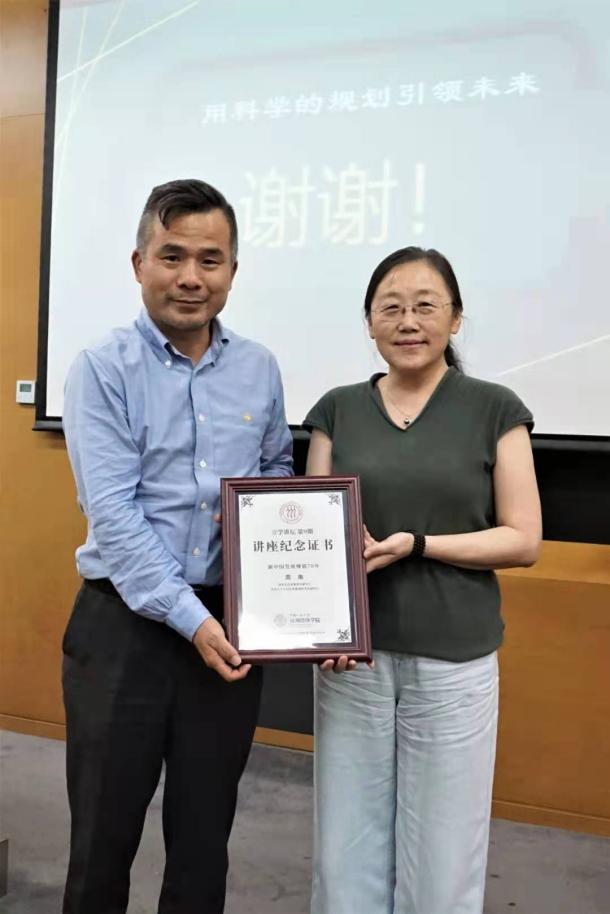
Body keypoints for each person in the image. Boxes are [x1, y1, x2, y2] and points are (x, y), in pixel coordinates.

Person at [61, 178, 293, 914]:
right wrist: (191, 620)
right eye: (172, 256)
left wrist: (274, 538)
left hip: (229, 625)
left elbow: (276, 473)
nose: (191, 277)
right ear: (139, 264)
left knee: (203, 840)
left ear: (232, 271)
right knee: (102, 840)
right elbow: (113, 514)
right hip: (123, 627)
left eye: (210, 259)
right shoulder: (102, 368)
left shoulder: (259, 367)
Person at [304, 246, 542, 914]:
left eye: (425, 306)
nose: (408, 322)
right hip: (353, 659)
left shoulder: (495, 408)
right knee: (344, 848)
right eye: (391, 308)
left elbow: (523, 538)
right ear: (370, 323)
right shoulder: (337, 410)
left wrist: (419, 545)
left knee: (444, 853)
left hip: (454, 661)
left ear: (455, 319)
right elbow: (317, 533)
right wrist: (320, 623)